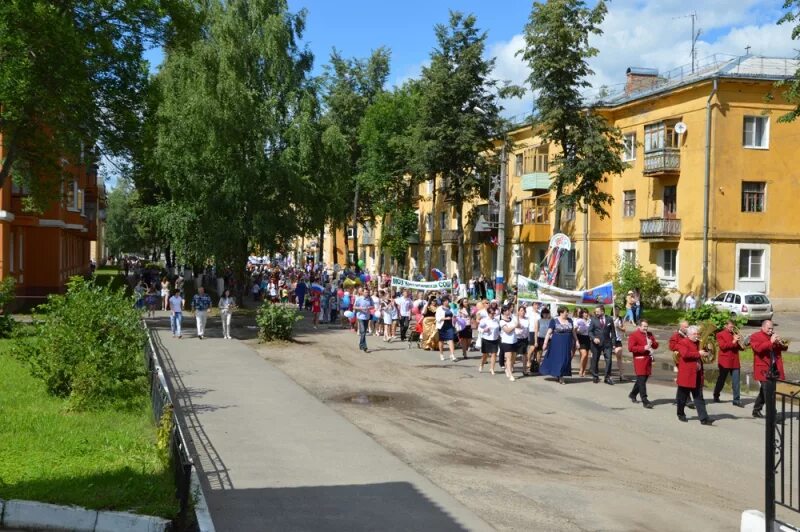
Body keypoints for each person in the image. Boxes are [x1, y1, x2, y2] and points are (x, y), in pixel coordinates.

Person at [675, 325, 714, 425]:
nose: (697, 336)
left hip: (697, 374)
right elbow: (685, 354)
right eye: (694, 334)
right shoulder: (683, 342)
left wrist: (707, 352)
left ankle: (704, 418)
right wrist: (698, 353)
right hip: (686, 375)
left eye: (697, 334)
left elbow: (704, 352)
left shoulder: (699, 343)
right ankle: (680, 413)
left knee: (699, 397)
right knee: (682, 397)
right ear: (688, 335)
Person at [750, 319, 789, 418]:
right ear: (762, 327)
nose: (771, 330)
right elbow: (758, 349)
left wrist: (780, 343)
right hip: (762, 369)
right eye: (769, 328)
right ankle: (773, 416)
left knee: (765, 391)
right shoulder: (755, 336)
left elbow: (782, 348)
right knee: (769, 393)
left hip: (773, 368)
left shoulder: (772, 336)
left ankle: (756, 410)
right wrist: (770, 342)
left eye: (772, 328)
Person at [540, 306, 578, 384]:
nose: (567, 313)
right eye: (566, 312)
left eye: (567, 312)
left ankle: (559, 373)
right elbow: (549, 332)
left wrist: (577, 341)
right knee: (559, 359)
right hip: (557, 343)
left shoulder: (570, 320)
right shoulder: (554, 321)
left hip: (567, 343)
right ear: (561, 313)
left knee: (565, 359)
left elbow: (573, 332)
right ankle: (560, 376)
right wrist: (545, 343)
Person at [628, 320, 658, 409]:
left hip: (648, 360)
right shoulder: (634, 335)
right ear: (639, 326)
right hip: (639, 360)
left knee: (642, 380)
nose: (645, 328)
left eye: (647, 326)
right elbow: (631, 348)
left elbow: (655, 346)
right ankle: (645, 400)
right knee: (641, 380)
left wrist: (652, 342)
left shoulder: (649, 334)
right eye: (644, 326)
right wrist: (643, 348)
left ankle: (633, 394)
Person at [713, 320, 744, 407]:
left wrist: (742, 343)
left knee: (736, 381)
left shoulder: (735, 334)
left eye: (733, 327)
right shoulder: (720, 334)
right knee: (721, 379)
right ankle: (716, 395)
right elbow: (723, 347)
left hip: (735, 361)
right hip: (725, 361)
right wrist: (733, 341)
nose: (732, 329)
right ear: (726, 326)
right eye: (731, 327)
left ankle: (736, 400)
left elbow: (739, 347)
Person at [589, 305, 616, 385]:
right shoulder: (593, 320)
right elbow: (590, 331)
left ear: (603, 311)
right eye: (595, 311)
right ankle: (595, 376)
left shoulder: (609, 319)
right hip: (596, 343)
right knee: (595, 359)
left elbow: (613, 332)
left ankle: (607, 377)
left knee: (609, 360)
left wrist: (613, 343)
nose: (596, 313)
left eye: (597, 311)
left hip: (607, 343)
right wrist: (594, 338)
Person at [477, 306, 500, 373]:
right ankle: (481, 364)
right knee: (485, 355)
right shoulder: (484, 320)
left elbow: (498, 329)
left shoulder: (496, 320)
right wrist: (484, 330)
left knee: (494, 354)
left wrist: (499, 335)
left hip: (495, 339)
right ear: (488, 313)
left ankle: (492, 368)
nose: (493, 314)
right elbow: (479, 328)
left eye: (494, 313)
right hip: (486, 339)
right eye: (491, 313)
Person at [498, 305, 518, 381]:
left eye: (509, 310)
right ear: (503, 312)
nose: (508, 312)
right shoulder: (501, 321)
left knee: (513, 358)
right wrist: (514, 326)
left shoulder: (512, 319)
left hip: (514, 340)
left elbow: (518, 325)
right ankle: (510, 374)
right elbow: (507, 330)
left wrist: (517, 318)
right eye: (506, 310)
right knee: (508, 358)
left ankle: (507, 368)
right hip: (506, 341)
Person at [436, 295, 457, 362]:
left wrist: (454, 317)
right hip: (442, 326)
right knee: (441, 340)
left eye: (448, 301)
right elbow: (437, 318)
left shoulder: (450, 308)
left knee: (451, 339)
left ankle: (452, 354)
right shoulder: (439, 308)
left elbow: (453, 314)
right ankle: (441, 354)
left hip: (450, 326)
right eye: (446, 301)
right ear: (443, 302)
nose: (448, 302)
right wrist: (445, 318)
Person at [532, 307, 551, 373]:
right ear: (542, 314)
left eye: (547, 313)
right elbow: (536, 331)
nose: (545, 314)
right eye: (544, 313)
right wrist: (536, 341)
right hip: (540, 338)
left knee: (549, 353)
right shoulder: (539, 320)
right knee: (539, 353)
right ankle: (537, 366)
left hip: (549, 339)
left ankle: (548, 367)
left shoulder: (551, 321)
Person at [575, 308, 591, 377]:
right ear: (582, 314)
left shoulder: (589, 321)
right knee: (583, 354)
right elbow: (574, 330)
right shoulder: (579, 321)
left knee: (586, 356)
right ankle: (581, 369)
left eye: (587, 312)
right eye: (584, 313)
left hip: (587, 338)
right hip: (580, 337)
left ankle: (584, 369)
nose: (586, 314)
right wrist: (578, 332)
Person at [354, 288, 372, 352]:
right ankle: (365, 347)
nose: (366, 293)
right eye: (365, 292)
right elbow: (354, 307)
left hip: (367, 317)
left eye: (367, 292)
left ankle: (361, 344)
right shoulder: (359, 298)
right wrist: (360, 308)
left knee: (363, 332)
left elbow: (372, 306)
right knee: (363, 331)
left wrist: (369, 307)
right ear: (362, 293)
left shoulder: (370, 299)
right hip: (360, 317)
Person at [514, 306, 530, 377]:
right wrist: (517, 317)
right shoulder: (515, 318)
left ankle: (524, 369)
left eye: (523, 310)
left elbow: (528, 328)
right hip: (517, 338)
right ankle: (511, 366)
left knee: (524, 354)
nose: (522, 312)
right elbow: (517, 326)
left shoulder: (527, 319)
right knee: (514, 354)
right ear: (518, 311)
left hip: (524, 338)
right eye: (521, 310)